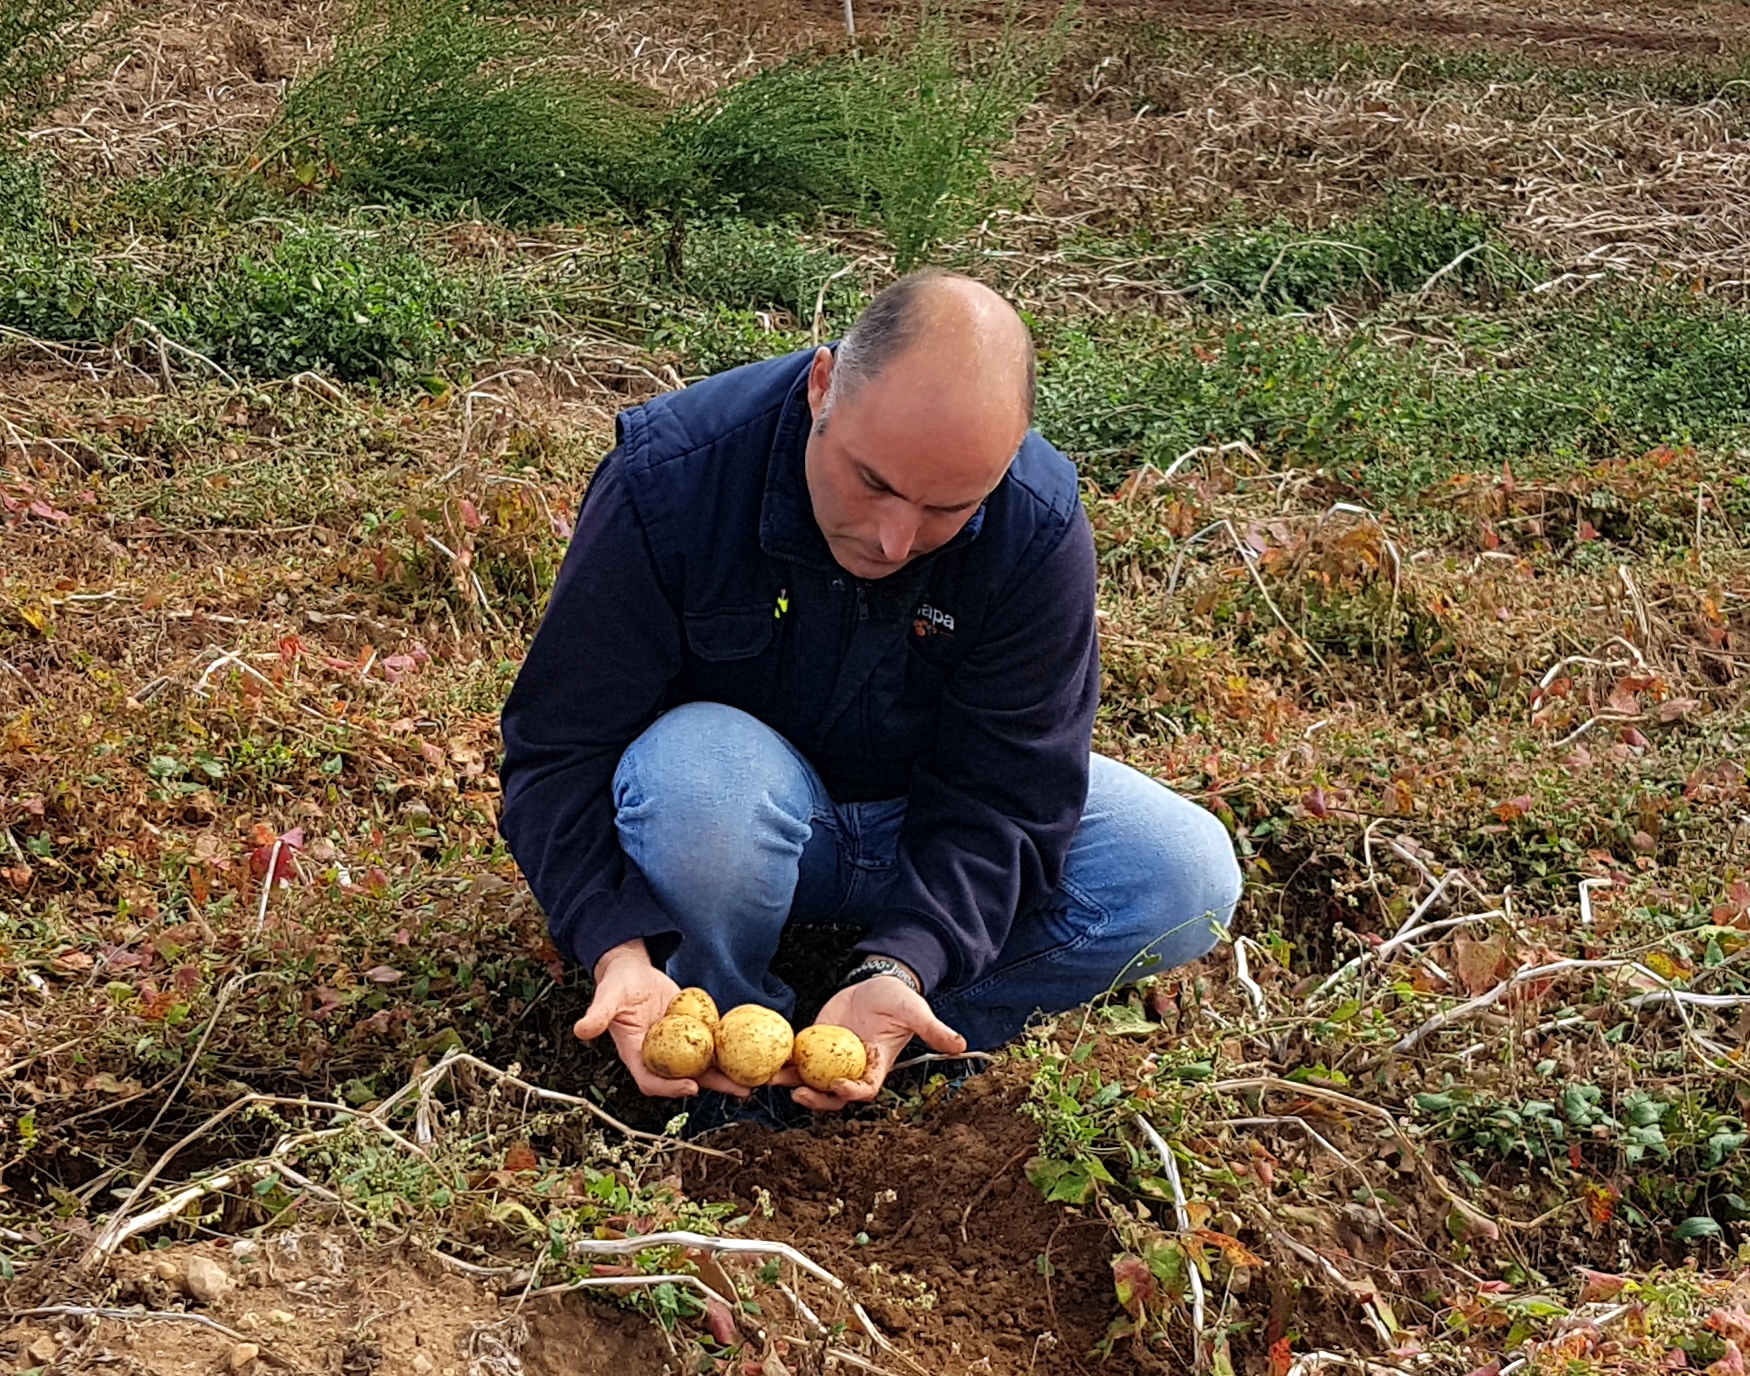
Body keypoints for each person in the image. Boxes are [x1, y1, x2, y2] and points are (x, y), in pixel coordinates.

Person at [498, 270, 1242, 1115]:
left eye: (948, 509)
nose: (895, 540)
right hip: (741, 830)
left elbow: (1012, 793)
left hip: (913, 822)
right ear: (823, 386)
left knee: (1184, 871)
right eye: (875, 483)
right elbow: (558, 749)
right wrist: (613, 941)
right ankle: (717, 1051)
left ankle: (899, 1040)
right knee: (698, 774)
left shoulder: (1035, 525)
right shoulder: (673, 478)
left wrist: (910, 958)